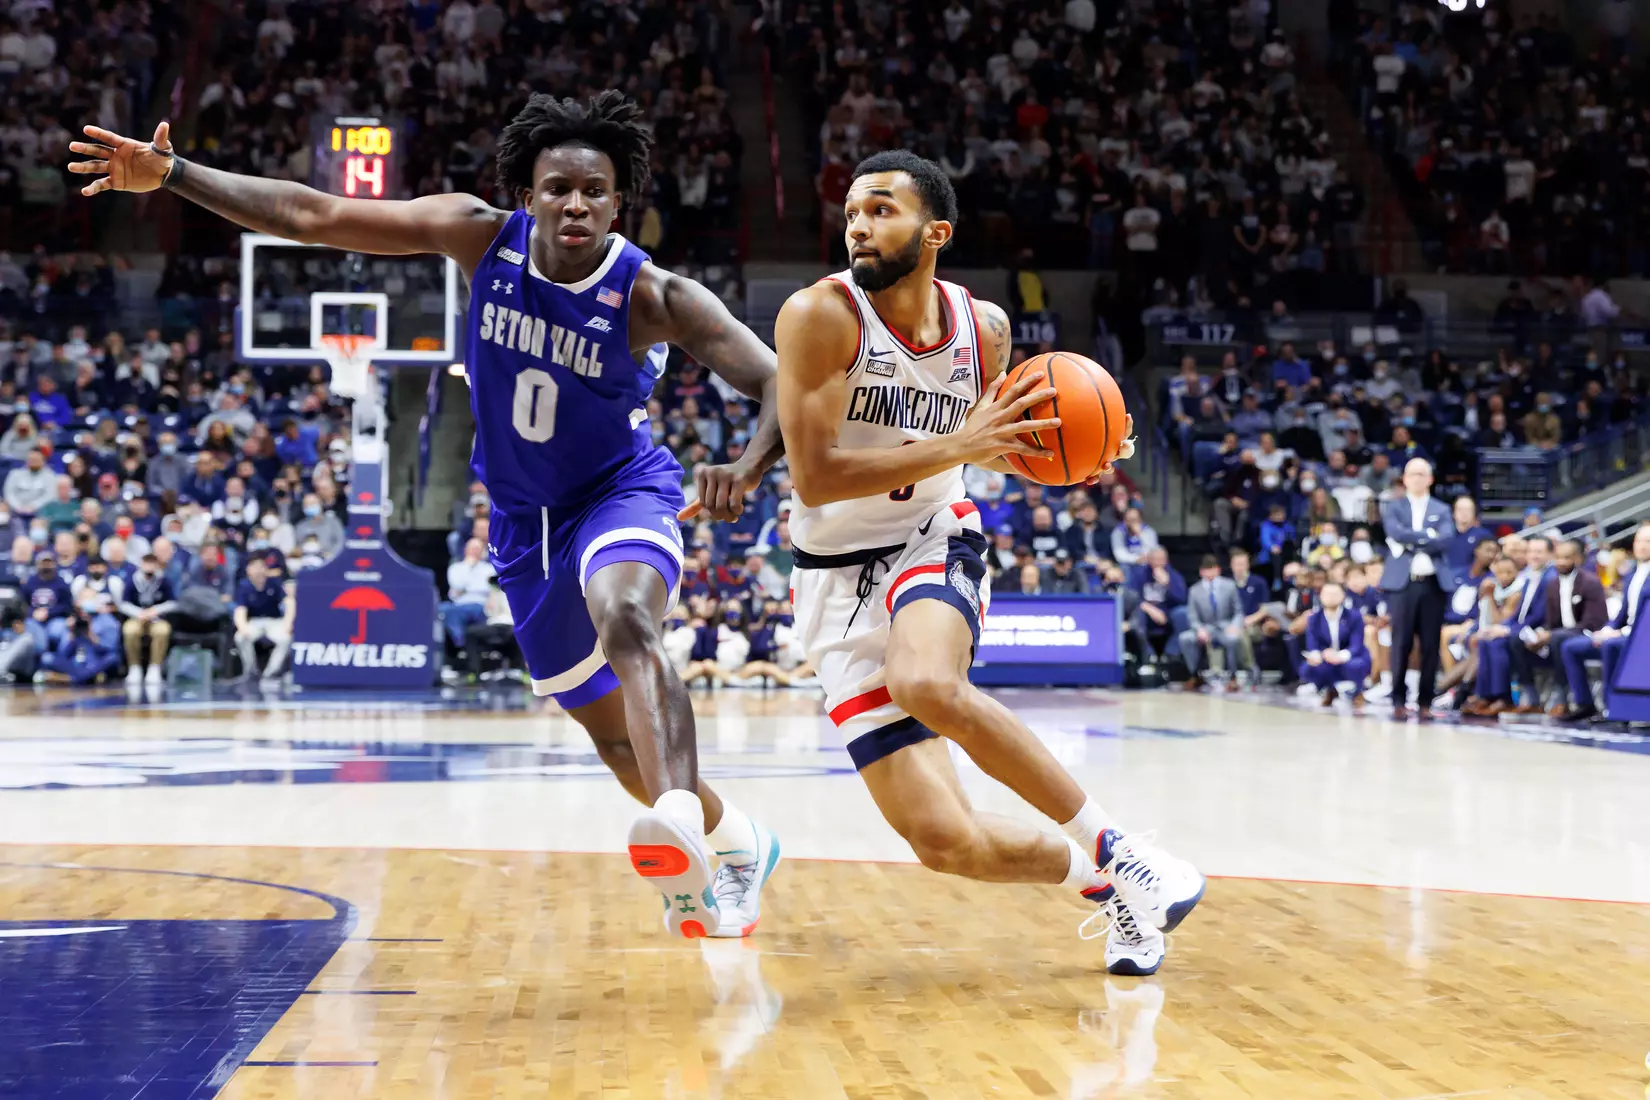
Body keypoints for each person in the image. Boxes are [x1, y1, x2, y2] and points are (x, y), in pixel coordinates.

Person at [73, 93, 790, 940]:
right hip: (524, 525)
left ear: (617, 202)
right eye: (557, 187)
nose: (576, 205)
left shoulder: (656, 295)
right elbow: (315, 213)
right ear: (526, 195)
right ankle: (737, 839)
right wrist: (176, 175)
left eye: (594, 192)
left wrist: (745, 467)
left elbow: (779, 380)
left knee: (628, 618)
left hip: (619, 491)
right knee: (617, 745)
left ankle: (678, 824)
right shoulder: (478, 234)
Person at [774, 149, 1200, 977]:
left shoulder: (987, 329)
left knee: (927, 683)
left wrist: (1073, 450)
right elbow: (815, 476)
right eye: (854, 211)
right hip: (831, 577)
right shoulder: (819, 315)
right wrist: (962, 443)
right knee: (945, 841)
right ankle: (1114, 888)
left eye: (882, 210)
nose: (859, 224)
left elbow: (988, 448)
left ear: (935, 232)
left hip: (934, 534)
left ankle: (1119, 846)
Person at [1378, 459, 1458, 718]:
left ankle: (1426, 701)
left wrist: (1413, 540)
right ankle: (1398, 699)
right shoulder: (1394, 507)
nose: (1416, 479)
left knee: (1430, 644)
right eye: (1412, 474)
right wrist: (1427, 537)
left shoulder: (1442, 509)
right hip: (1404, 583)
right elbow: (1395, 532)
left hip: (1432, 584)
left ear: (1430, 479)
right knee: (1400, 642)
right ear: (1404, 478)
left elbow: (1446, 538)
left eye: (1421, 474)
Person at [1558, 523, 1650, 722]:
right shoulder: (1632, 573)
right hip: (1622, 634)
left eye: (1647, 542)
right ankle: (1585, 703)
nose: (1642, 546)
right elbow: (1623, 615)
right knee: (1570, 647)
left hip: (1641, 639)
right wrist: (1608, 628)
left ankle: (1611, 707)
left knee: (1611, 646)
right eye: (1639, 541)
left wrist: (1622, 633)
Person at [1533, 539, 1607, 718]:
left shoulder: (1590, 582)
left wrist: (1552, 634)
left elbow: (1593, 621)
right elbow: (1550, 622)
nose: (1561, 562)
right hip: (1559, 635)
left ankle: (1562, 697)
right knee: (1520, 641)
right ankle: (1529, 698)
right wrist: (1543, 633)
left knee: (1559, 640)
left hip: (1587, 633)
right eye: (1558, 557)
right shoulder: (1552, 584)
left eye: (1566, 558)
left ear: (1578, 558)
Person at [1298, 581, 1370, 707]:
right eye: (1327, 594)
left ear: (1343, 596)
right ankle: (1325, 688)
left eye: (1335, 594)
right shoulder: (1314, 618)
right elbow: (1312, 645)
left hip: (1347, 657)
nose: (1330, 597)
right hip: (1325, 659)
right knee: (1307, 668)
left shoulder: (1354, 616)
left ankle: (1354, 690)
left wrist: (1339, 656)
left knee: (1358, 664)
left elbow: (1356, 645)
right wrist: (1319, 655)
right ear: (1321, 596)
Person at [1178, 554, 1245, 689]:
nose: (1209, 573)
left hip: (1224, 626)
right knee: (1185, 638)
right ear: (1201, 572)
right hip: (1205, 628)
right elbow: (1192, 616)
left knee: (1232, 638)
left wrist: (1234, 625)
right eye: (1206, 570)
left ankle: (1233, 677)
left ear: (1218, 570)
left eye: (1212, 569)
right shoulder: (1194, 590)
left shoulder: (1229, 586)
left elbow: (1238, 611)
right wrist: (1199, 629)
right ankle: (1195, 675)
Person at [118, 552, 177, 688]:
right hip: (137, 617)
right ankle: (134, 667)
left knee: (162, 631)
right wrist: (139, 613)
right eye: (146, 564)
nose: (149, 567)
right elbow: (124, 604)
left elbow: (173, 603)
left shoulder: (164, 581)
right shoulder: (132, 580)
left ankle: (155, 667)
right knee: (130, 630)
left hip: (156, 618)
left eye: (152, 564)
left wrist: (156, 610)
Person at [232, 555, 293, 686]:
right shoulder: (244, 586)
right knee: (240, 637)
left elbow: (289, 603)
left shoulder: (274, 583)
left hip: (274, 621)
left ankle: (270, 673)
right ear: (248, 570)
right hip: (254, 622)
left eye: (261, 567)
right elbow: (240, 610)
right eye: (255, 567)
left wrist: (288, 624)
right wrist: (242, 627)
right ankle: (251, 671)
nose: (259, 570)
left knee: (285, 639)